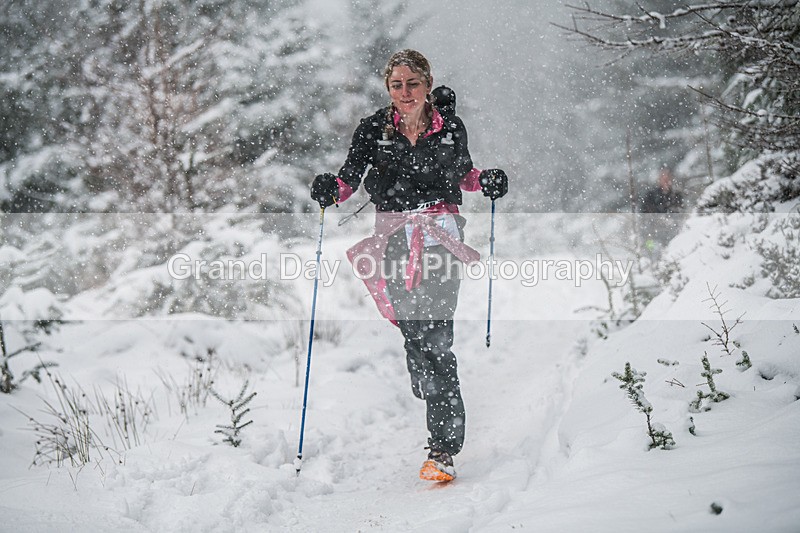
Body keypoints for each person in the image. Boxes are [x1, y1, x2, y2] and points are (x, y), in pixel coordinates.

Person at [310, 49, 508, 482]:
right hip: (395, 236)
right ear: (388, 89)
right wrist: (330, 188)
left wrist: (487, 180)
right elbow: (348, 180)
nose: (405, 92)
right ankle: (426, 377)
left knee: (437, 337)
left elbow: (465, 175)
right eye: (397, 85)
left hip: (441, 235)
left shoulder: (450, 129)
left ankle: (442, 449)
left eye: (412, 84)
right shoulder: (372, 130)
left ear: (428, 84)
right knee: (413, 331)